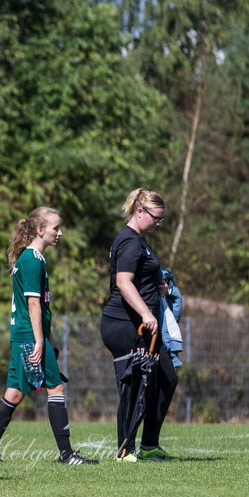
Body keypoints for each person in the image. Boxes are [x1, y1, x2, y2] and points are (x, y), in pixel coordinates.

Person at [0, 208, 98, 465]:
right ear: (40, 230)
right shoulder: (31, 260)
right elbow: (33, 305)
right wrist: (40, 341)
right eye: (56, 228)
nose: (60, 233)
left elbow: (41, 307)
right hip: (29, 337)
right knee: (55, 387)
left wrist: (49, 339)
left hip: (28, 335)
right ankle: (66, 454)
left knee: (15, 391)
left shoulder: (35, 258)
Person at [99, 188, 179, 462]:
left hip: (142, 325)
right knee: (133, 386)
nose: (159, 224)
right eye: (156, 218)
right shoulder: (130, 241)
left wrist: (156, 287)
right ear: (140, 211)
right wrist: (146, 312)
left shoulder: (138, 240)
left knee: (167, 378)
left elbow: (138, 278)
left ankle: (149, 444)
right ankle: (125, 450)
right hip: (124, 323)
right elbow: (123, 282)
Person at [159, 268, 183, 370]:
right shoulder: (157, 299)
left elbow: (177, 299)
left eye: (166, 282)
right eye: (162, 283)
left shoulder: (166, 298)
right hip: (164, 344)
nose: (166, 285)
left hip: (167, 343)